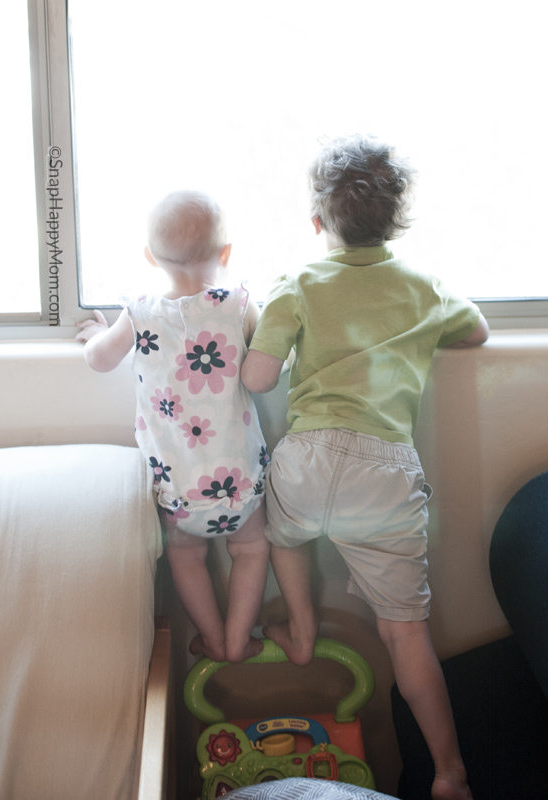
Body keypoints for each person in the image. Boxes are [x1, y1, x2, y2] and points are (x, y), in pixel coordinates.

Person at [241, 134, 488, 800]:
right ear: (397, 219)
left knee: (280, 534)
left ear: (319, 221)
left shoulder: (298, 282)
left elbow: (259, 379)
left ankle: (301, 628)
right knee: (406, 631)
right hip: (384, 468)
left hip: (310, 452)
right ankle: (448, 771)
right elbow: (477, 333)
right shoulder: (422, 286)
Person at [77, 190, 269, 664]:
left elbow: (100, 360)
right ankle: (239, 637)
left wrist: (91, 337)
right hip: (241, 483)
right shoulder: (238, 303)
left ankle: (213, 638)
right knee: (251, 551)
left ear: (150, 257)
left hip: (178, 488)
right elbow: (267, 353)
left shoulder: (141, 311)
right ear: (225, 254)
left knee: (185, 558)